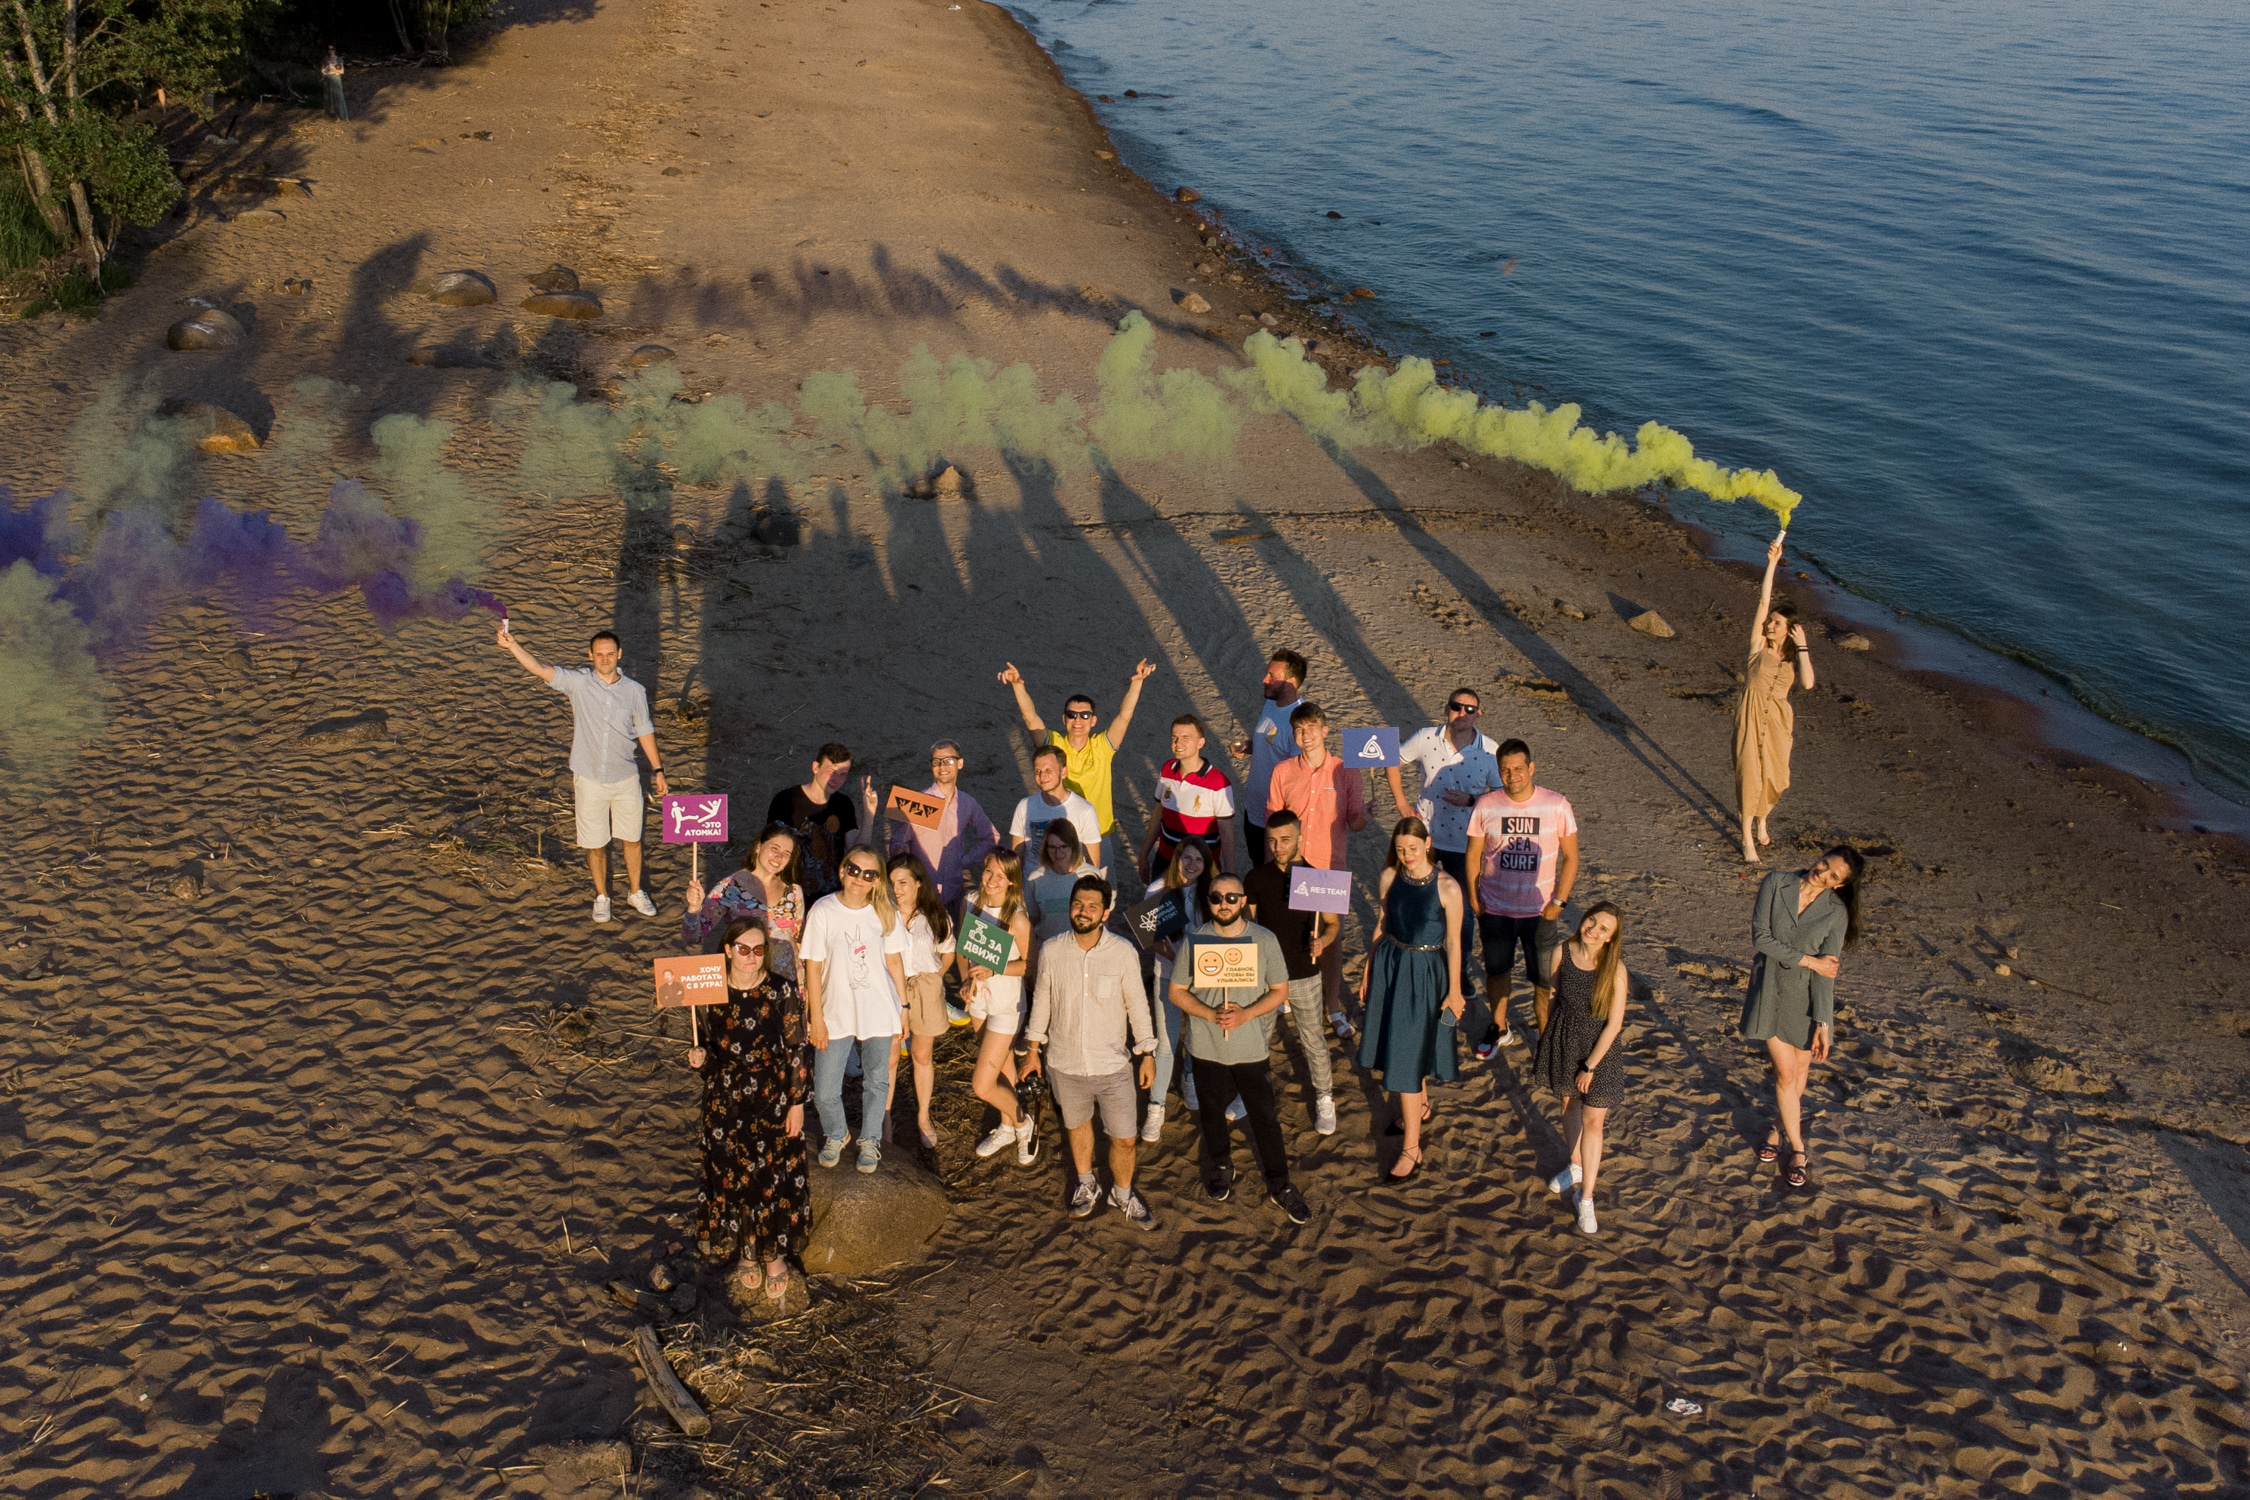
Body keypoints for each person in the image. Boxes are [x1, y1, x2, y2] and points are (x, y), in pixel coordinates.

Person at [497, 624, 668, 923]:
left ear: (619, 654)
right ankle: (602, 896)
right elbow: (539, 669)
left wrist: (658, 770)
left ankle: (635, 891)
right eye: (599, 654)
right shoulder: (577, 683)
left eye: (610, 654)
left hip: (626, 777)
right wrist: (512, 646)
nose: (605, 659)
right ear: (590, 656)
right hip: (589, 778)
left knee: (632, 839)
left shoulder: (635, 691)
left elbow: (644, 731)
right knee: (596, 843)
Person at [1169, 873, 1312, 1225]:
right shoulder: (1195, 940)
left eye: (1231, 898)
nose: (1224, 904)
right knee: (1211, 1113)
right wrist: (1210, 1014)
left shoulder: (1264, 940)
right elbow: (1176, 991)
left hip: (1250, 1048)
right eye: (1216, 898)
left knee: (1265, 1118)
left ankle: (1280, 1183)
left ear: (1243, 901)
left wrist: (1246, 1014)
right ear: (1209, 901)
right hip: (1206, 1045)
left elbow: (1280, 990)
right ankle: (1221, 1165)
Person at [1025, 875, 1161, 1230]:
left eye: (1091, 907)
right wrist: (1032, 1050)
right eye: (1078, 905)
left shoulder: (1123, 952)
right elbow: (1042, 1002)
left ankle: (1122, 1193)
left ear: (1105, 913)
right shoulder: (1052, 950)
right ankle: (1086, 1183)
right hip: (1065, 1063)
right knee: (1077, 1127)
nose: (1083, 912)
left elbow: (1137, 1005)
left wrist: (1147, 1052)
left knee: (1125, 1139)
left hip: (1113, 1064)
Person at [688, 915, 809, 1305]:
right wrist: (699, 1058)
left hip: (773, 1096)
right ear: (728, 950)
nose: (751, 957)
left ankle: (772, 1256)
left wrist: (797, 1103)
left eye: (758, 950)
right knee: (735, 1177)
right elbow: (707, 1051)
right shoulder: (708, 990)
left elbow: (797, 1049)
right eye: (743, 949)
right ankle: (746, 1250)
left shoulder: (780, 989)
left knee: (771, 1177)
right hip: (725, 1098)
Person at [1742, 847, 1863, 1189]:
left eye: (1832, 875)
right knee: (1785, 1073)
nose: (1821, 873)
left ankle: (1776, 1129)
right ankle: (1798, 1148)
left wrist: (1824, 1023)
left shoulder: (1835, 913)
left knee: (1800, 1070)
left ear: (1840, 885)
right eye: (1824, 863)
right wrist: (1810, 961)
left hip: (1805, 998)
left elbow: (1828, 973)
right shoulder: (1776, 882)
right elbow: (1761, 938)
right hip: (1768, 988)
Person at [1357, 818, 1467, 1179]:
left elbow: (1454, 943)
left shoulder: (1448, 887)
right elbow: (1382, 924)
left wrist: (1454, 990)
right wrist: (1368, 970)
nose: (1407, 855)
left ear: (1428, 843)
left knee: (1405, 1053)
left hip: (1426, 972)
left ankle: (1411, 1150)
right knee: (1410, 1045)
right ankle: (1419, 1109)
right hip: (1391, 964)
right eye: (1401, 849)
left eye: (1413, 849)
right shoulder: (1390, 877)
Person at [1464, 739, 1579, 1060]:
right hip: (1495, 909)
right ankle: (1499, 1028)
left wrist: (1559, 902)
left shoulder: (1556, 805)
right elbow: (1473, 854)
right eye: (1505, 770)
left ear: (1531, 768)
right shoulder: (1486, 805)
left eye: (1518, 769)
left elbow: (1571, 857)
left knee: (1543, 981)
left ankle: (1545, 1039)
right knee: (1497, 972)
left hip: (1539, 913)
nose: (1512, 776)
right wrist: (1474, 898)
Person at [1265, 700, 1369, 1040]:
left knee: (1331, 938)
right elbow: (1273, 822)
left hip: (1327, 867)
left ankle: (1332, 1007)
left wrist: (1366, 815)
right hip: (1290, 865)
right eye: (1299, 729)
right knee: (1286, 933)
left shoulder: (1346, 770)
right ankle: (1284, 996)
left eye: (1311, 728)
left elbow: (1354, 823)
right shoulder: (1282, 771)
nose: (1305, 735)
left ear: (1324, 730)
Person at [798, 848, 907, 1174]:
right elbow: (813, 967)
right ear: (843, 870)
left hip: (879, 1009)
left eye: (869, 874)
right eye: (854, 869)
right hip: (834, 1011)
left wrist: (903, 1008)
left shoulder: (885, 913)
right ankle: (837, 1133)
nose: (860, 878)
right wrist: (816, 1017)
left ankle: (870, 1140)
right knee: (824, 1091)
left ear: (877, 881)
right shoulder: (823, 910)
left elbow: (894, 962)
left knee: (877, 1082)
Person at [997, 657, 1156, 875]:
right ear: (1064, 719)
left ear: (1093, 720)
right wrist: (1017, 685)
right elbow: (1030, 718)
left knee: (1101, 887)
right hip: (1060, 836)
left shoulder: (1102, 747)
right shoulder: (1055, 744)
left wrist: (1137, 682)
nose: (1078, 720)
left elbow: (1124, 716)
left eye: (1084, 715)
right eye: (1072, 715)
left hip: (1099, 834)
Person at [1384, 689, 1500, 973]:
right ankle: (1412, 962)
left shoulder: (1490, 750)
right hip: (1425, 837)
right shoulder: (1425, 737)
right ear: (1447, 708)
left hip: (1466, 844)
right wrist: (1401, 803)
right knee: (1413, 899)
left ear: (1478, 714)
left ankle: (1460, 973)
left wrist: (1472, 800)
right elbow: (1392, 760)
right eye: (1457, 707)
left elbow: (1500, 795)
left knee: (1464, 913)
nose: (1462, 714)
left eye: (1470, 709)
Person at [1241, 812, 1341, 1136]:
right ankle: (1250, 1093)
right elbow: (1248, 925)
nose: (1278, 847)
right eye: (1272, 841)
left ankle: (1325, 1098)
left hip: (1305, 974)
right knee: (1258, 1038)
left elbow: (1332, 924)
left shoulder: (1317, 878)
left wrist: (1322, 942)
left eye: (1285, 839)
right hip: (1268, 977)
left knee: (1313, 1039)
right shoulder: (1255, 878)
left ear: (1300, 837)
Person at [1533, 903, 1630, 1234]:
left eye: (1604, 929)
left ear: (1610, 938)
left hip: (1599, 1052)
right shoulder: (1563, 951)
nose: (1593, 929)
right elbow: (1553, 995)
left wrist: (1589, 1066)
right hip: (1565, 1040)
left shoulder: (1615, 970)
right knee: (1568, 1104)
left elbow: (1614, 1025)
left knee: (1594, 1121)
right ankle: (1575, 1165)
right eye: (1592, 920)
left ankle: (1585, 1197)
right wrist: (1549, 1038)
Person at [1736, 536, 1816, 864]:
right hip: (1751, 715)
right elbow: (1763, 600)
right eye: (1770, 620)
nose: (1769, 624)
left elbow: (1808, 684)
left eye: (1777, 623)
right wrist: (1771, 563)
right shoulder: (1758, 646)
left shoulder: (1794, 658)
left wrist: (1804, 646)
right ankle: (1746, 837)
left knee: (1776, 778)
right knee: (1749, 775)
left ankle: (1762, 820)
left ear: (1789, 630)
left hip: (1779, 722)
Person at [961, 850, 1041, 1166]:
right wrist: (966, 980)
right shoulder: (971, 902)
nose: (992, 880)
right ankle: (1007, 1126)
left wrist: (996, 969)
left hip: (1007, 1006)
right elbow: (965, 949)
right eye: (988, 872)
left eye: (1000, 876)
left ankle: (1023, 1122)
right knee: (1003, 1066)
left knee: (982, 1085)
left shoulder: (1017, 918)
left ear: (1011, 881)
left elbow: (1031, 965)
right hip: (979, 1002)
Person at [1143, 835, 1215, 1137]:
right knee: (1166, 1042)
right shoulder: (1158, 889)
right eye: (1187, 858)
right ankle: (1156, 1106)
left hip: (1203, 980)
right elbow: (1148, 936)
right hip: (1168, 976)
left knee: (1197, 1037)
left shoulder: (1211, 892)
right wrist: (1178, 958)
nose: (1192, 865)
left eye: (1199, 860)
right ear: (1177, 859)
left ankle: (1188, 1078)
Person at [886, 851, 955, 1149]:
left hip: (925, 988)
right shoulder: (883, 915)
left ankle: (923, 1116)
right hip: (891, 988)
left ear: (918, 883)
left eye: (903, 882)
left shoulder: (935, 915)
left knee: (922, 1055)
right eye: (891, 883)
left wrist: (936, 976)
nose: (896, 889)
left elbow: (948, 951)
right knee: (889, 1059)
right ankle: (885, 1118)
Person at [683, 822, 806, 975]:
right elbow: (692, 938)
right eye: (774, 848)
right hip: (747, 979)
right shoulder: (730, 888)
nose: (779, 857)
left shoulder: (793, 890)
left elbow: (801, 940)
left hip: (788, 980)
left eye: (786, 854)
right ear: (758, 847)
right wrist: (694, 908)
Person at [887, 739, 999, 906]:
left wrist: (966, 860)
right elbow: (897, 842)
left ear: (960, 763)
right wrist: (900, 850)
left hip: (954, 893)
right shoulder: (918, 802)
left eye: (948, 761)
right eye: (936, 761)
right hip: (921, 895)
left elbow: (991, 836)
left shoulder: (968, 803)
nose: (942, 766)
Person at [1230, 649, 1307, 869]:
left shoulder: (1299, 722)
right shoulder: (1272, 703)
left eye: (1272, 676)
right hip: (1253, 809)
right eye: (1267, 674)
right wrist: (1248, 746)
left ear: (1291, 682)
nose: (1265, 680)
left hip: (1273, 817)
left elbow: (1298, 776)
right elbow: (1270, 743)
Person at [767, 744, 875, 899]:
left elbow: (858, 852)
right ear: (815, 767)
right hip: (789, 896)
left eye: (843, 775)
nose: (836, 780)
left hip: (830, 898)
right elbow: (769, 850)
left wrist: (869, 814)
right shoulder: (786, 800)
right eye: (831, 771)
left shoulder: (843, 804)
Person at [1143, 714, 1237, 879]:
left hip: (1201, 867)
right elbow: (1158, 813)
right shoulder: (1166, 770)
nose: (1178, 743)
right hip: (1165, 862)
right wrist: (1144, 854)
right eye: (1174, 738)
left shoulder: (1218, 783)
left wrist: (1229, 875)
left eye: (1186, 738)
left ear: (1200, 743)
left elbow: (1226, 832)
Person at [1009, 745, 1104, 870]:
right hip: (1032, 879)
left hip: (1070, 880)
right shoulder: (1024, 806)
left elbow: (1093, 864)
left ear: (1063, 772)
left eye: (1048, 771)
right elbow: (1017, 854)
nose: (1042, 776)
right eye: (1038, 771)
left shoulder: (1085, 811)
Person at [1025, 820, 1102, 945]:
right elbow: (1032, 920)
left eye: (1063, 847)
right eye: (1052, 847)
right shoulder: (1035, 880)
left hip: (1082, 947)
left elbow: (1102, 918)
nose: (1058, 853)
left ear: (1073, 846)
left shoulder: (1091, 875)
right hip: (1047, 946)